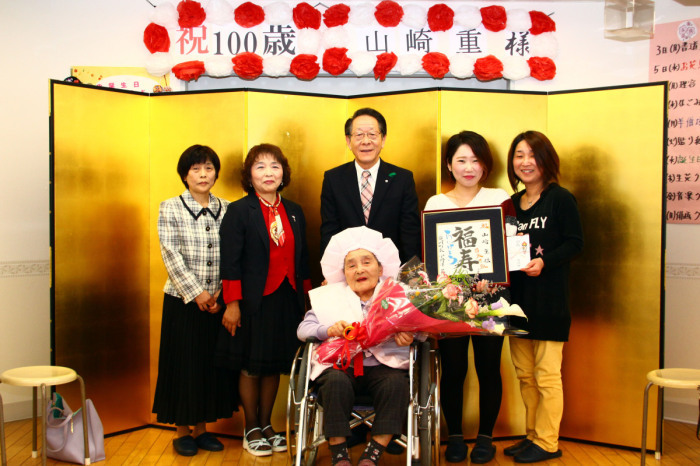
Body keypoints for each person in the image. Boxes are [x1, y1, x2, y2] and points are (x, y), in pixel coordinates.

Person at [424, 131, 516, 463]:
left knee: (489, 367)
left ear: (485, 164)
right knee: (454, 368)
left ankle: (487, 438)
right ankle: (457, 437)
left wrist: (492, 282)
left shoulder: (499, 196)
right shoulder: (436, 203)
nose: (469, 167)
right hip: (450, 300)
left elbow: (512, 245)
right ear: (449, 164)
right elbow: (431, 256)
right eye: (461, 160)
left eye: (476, 160)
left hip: (492, 297)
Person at [217, 144, 311, 457]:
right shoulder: (240, 210)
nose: (268, 172)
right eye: (260, 167)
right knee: (251, 365)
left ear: (283, 173)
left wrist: (308, 302)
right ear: (249, 175)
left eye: (274, 166)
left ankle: (268, 424)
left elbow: (303, 259)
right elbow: (230, 261)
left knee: (273, 365)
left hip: (286, 299)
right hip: (253, 300)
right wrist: (232, 303)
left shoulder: (295, 210)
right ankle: (251, 427)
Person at [297, 226, 414, 466]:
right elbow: (303, 330)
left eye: (366, 262)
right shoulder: (330, 297)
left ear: (380, 268)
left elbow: (422, 331)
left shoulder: (397, 296)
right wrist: (327, 330)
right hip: (341, 364)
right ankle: (339, 453)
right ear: (343, 273)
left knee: (395, 384)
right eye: (351, 265)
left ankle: (373, 453)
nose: (359, 269)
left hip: (385, 364)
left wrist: (410, 334)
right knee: (335, 382)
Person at [504, 131, 583, 463]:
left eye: (532, 155)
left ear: (546, 159)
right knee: (524, 374)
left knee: (547, 374)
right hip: (517, 302)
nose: (525, 162)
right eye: (519, 155)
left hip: (549, 301)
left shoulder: (560, 199)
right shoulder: (511, 203)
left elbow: (575, 243)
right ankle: (533, 435)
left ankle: (548, 441)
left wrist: (545, 260)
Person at [152, 144, 235, 457]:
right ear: (184, 175)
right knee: (184, 365)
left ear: (216, 173)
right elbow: (170, 253)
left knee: (208, 366)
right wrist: (197, 292)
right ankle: (182, 431)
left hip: (218, 301)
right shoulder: (170, 207)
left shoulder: (227, 208)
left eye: (209, 168)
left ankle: (202, 430)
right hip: (183, 301)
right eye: (196, 169)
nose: (203, 174)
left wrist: (220, 294)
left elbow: (233, 254)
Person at [320, 107, 421, 265]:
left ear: (383, 139)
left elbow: (410, 232)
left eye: (372, 135)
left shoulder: (402, 179)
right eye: (359, 135)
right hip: (349, 271)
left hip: (392, 271)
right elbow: (330, 231)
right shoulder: (334, 179)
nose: (366, 141)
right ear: (348, 141)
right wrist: (332, 271)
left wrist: (411, 273)